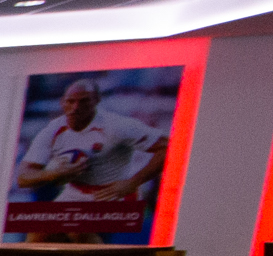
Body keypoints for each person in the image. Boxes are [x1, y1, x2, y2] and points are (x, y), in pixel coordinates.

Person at [16, 78, 169, 245]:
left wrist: (132, 183)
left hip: (113, 193)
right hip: (75, 192)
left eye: (84, 101)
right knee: (36, 240)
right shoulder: (52, 131)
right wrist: (53, 174)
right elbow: (23, 177)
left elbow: (166, 146)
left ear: (96, 101)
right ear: (62, 102)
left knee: (76, 228)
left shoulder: (117, 126)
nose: (76, 107)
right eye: (71, 101)